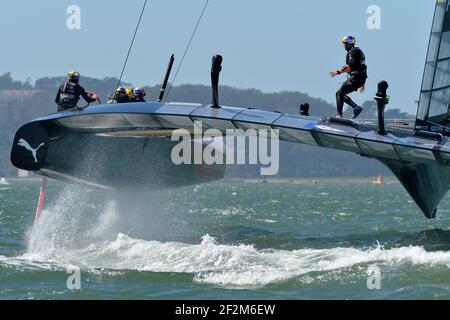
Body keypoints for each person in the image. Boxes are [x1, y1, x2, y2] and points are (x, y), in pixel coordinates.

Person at [329, 36, 367, 119]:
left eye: (344, 44)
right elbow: (364, 67)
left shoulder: (352, 51)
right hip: (360, 78)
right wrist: (363, 83)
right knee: (341, 94)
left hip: (356, 77)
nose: (343, 46)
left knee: (339, 94)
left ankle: (339, 115)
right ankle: (356, 108)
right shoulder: (358, 51)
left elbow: (350, 66)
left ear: (348, 44)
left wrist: (337, 72)